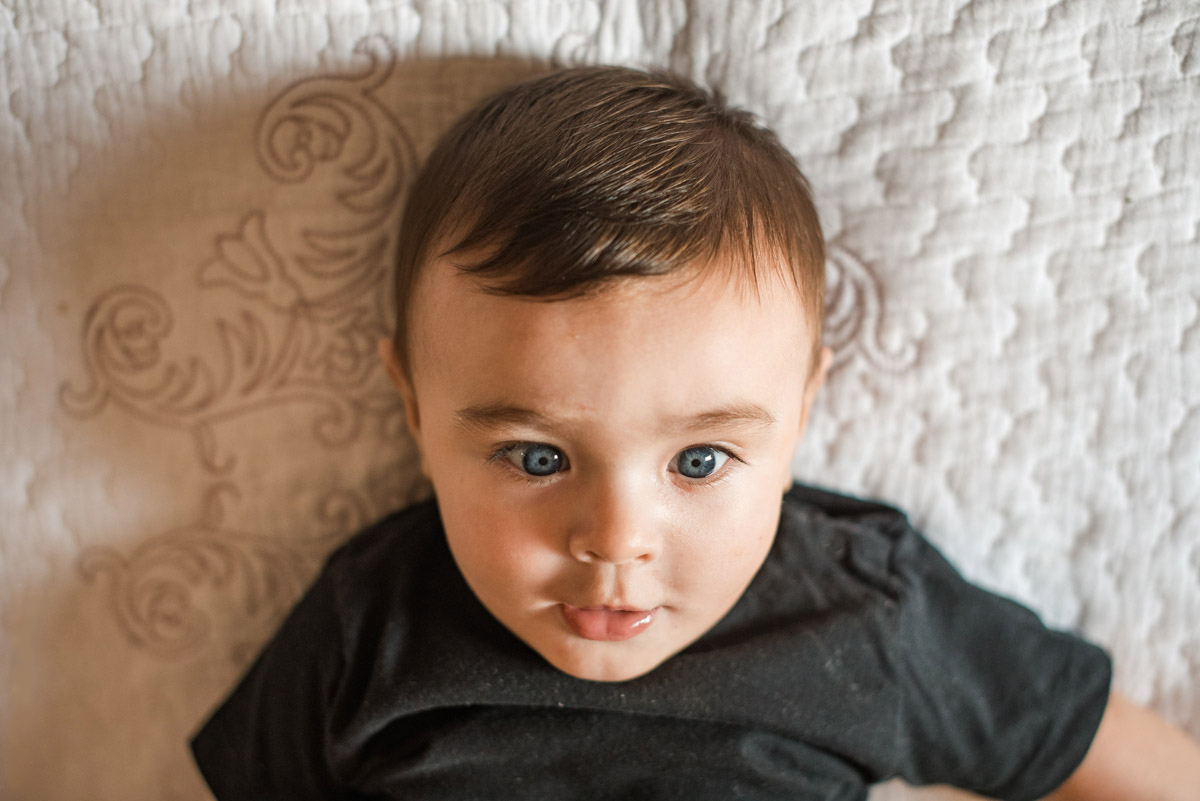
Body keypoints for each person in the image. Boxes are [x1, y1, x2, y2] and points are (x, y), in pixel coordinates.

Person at [189, 65, 1200, 800]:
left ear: (800, 412)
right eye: (536, 457)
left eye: (700, 461)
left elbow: (1128, 762)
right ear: (413, 407)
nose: (617, 537)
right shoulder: (371, 626)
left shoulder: (862, 613)